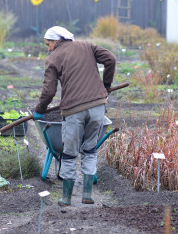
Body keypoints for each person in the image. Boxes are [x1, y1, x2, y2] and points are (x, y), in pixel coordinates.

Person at [33, 26, 116, 206]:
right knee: (90, 149)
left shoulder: (53, 58)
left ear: (56, 40)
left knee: (69, 154)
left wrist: (40, 109)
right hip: (97, 107)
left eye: (48, 44)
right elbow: (110, 59)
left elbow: (48, 91)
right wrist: (106, 86)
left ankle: (66, 198)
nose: (48, 48)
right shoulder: (87, 46)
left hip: (73, 110)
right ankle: (87, 195)